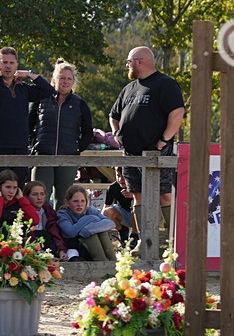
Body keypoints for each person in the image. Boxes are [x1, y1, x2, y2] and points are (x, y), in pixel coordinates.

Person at [109, 47, 186, 236]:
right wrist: (117, 133)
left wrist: (164, 140)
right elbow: (114, 115)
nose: (127, 66)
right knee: (138, 196)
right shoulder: (129, 88)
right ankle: (144, 241)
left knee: (165, 194)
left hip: (157, 152)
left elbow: (177, 113)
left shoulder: (165, 84)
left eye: (129, 62)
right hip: (131, 153)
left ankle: (175, 242)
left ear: (139, 61)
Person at [30, 60, 94, 208]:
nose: (65, 82)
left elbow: (87, 132)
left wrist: (76, 149)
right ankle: (38, 224)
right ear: (54, 79)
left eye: (69, 78)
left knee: (63, 200)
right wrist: (35, 145)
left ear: (73, 81)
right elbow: (28, 125)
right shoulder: (40, 100)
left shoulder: (80, 103)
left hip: (68, 158)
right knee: (39, 198)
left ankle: (60, 224)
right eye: (62, 78)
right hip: (43, 156)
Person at [0, 47, 54, 185]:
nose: (8, 66)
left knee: (17, 187)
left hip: (20, 147)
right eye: (4, 62)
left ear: (17, 65)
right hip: (1, 146)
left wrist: (30, 74)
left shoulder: (23, 88)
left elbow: (48, 91)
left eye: (11, 63)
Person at [57, 183, 116, 261]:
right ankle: (101, 261)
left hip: (90, 245)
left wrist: (88, 230)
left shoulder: (90, 210)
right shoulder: (62, 214)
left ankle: (112, 261)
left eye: (82, 201)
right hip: (74, 246)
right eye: (75, 201)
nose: (79, 205)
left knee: (101, 231)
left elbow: (110, 223)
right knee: (92, 234)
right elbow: (70, 232)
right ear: (67, 202)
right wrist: (90, 218)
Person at [23, 180, 69, 259]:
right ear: (26, 197)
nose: (39, 198)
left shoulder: (48, 210)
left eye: (42, 194)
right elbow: (28, 236)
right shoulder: (22, 212)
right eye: (34, 194)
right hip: (31, 247)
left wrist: (61, 250)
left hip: (48, 245)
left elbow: (55, 231)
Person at [102, 173, 136, 245]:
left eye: (124, 176)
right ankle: (122, 231)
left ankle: (135, 235)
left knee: (135, 204)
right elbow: (106, 207)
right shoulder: (113, 187)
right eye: (118, 176)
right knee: (107, 211)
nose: (121, 180)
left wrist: (134, 196)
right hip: (124, 215)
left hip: (139, 217)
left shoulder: (137, 186)